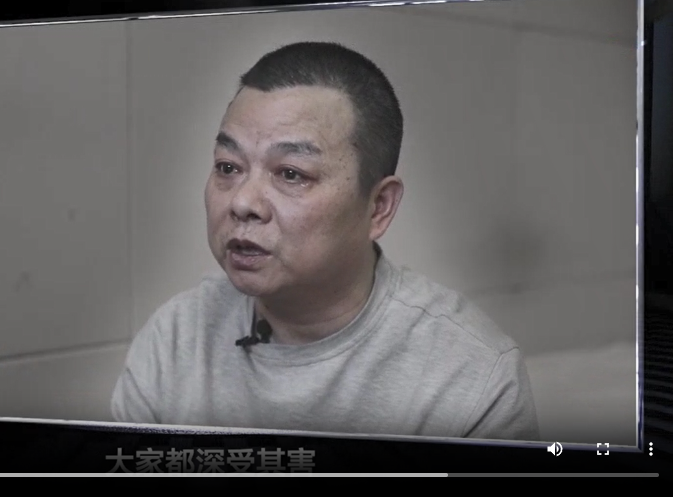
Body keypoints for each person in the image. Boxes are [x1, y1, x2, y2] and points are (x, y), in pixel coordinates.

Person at [111, 41, 539, 441]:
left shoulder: (469, 376)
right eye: (228, 167)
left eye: (291, 173)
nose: (242, 202)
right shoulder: (176, 339)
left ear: (378, 207)